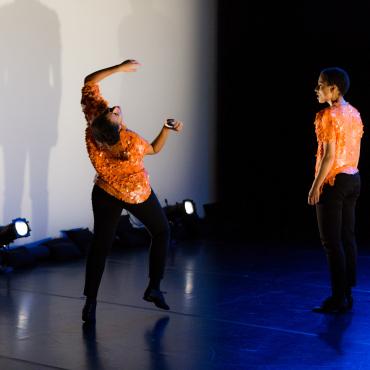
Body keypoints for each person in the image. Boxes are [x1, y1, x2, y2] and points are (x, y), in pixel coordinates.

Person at [80, 59, 183, 323]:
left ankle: (90, 302)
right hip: (135, 191)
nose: (115, 109)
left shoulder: (95, 126)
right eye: (115, 114)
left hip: (104, 191)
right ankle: (154, 287)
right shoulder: (130, 143)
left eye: (111, 111)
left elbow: (89, 81)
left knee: (100, 244)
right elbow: (155, 149)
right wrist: (167, 129)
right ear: (116, 129)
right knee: (161, 230)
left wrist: (117, 69)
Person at [308, 67, 363, 313]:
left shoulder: (328, 116)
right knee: (347, 238)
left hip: (334, 182)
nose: (317, 89)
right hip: (353, 178)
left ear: (334, 88)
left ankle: (338, 297)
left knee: (331, 241)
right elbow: (355, 153)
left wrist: (315, 185)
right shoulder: (354, 113)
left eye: (321, 85)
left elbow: (329, 156)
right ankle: (347, 292)